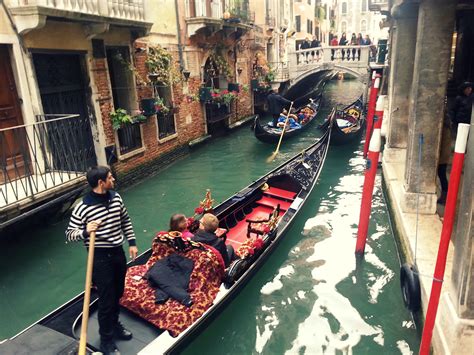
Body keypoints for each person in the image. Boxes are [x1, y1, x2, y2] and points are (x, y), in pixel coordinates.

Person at [66, 166, 138, 355]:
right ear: (101, 183)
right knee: (106, 300)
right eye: (109, 177)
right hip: (98, 257)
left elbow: (125, 220)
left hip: (117, 253)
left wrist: (131, 242)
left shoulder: (116, 198)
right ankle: (106, 341)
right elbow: (70, 234)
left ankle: (114, 325)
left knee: (118, 292)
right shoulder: (83, 207)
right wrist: (85, 230)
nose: (113, 178)